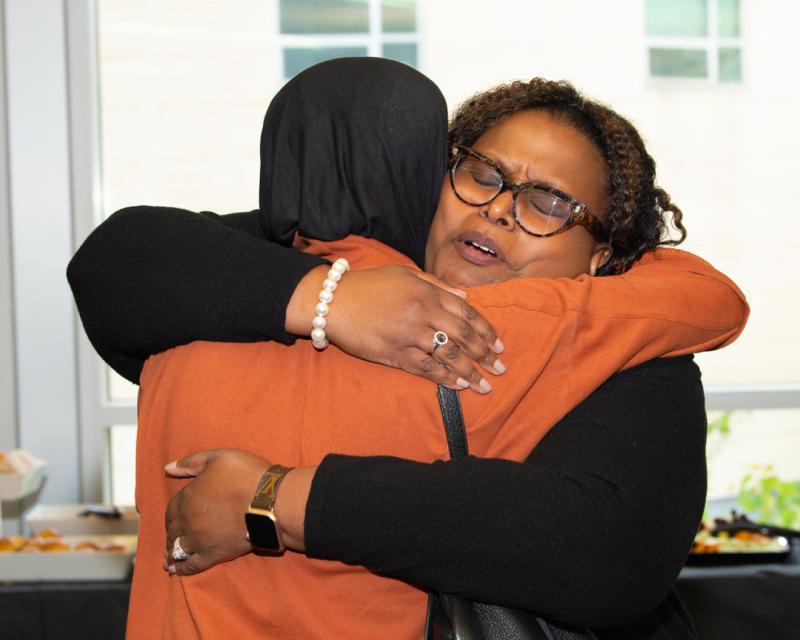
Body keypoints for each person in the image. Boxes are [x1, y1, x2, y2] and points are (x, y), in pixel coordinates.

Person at [67, 59, 747, 639]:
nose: (500, 209)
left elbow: (607, 554)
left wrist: (278, 499)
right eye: (483, 174)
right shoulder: (319, 263)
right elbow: (120, 260)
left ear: (598, 258)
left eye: (550, 203)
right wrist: (327, 298)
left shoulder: (636, 354)